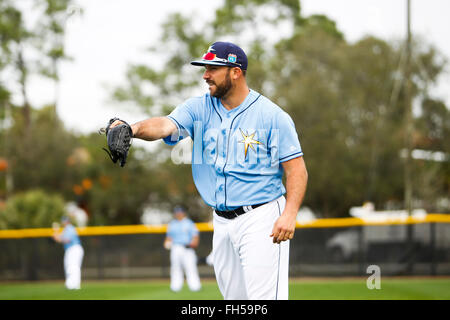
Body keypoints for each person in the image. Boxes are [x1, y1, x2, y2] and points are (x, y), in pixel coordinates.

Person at [111, 41, 308, 299]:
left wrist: (290, 214)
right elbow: (165, 125)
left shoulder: (272, 116)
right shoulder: (199, 108)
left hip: (262, 216)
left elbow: (297, 170)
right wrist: (132, 129)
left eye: (213, 68)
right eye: (205, 68)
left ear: (236, 71)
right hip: (221, 220)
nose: (205, 75)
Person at [164, 205, 202, 292]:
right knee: (175, 267)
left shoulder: (189, 223)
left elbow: (195, 235)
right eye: (177, 212)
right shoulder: (172, 224)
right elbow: (169, 237)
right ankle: (175, 287)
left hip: (187, 248)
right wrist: (167, 243)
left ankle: (195, 286)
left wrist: (194, 243)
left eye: (180, 212)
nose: (178, 214)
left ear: (183, 213)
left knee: (191, 267)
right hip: (176, 247)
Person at [52, 216, 84, 290]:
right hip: (71, 249)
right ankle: (71, 284)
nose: (63, 222)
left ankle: (74, 284)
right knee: (70, 266)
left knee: (73, 267)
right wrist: (56, 235)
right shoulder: (66, 229)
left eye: (64, 221)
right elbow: (61, 237)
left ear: (67, 221)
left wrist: (57, 237)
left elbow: (67, 240)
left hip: (74, 249)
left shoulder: (69, 228)